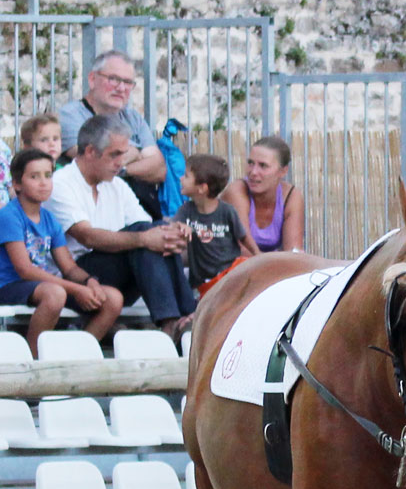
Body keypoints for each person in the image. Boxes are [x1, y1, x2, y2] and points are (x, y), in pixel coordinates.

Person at [47, 114, 194, 337]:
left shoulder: (117, 185)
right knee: (145, 237)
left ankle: (183, 318)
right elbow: (86, 236)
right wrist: (146, 238)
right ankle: (175, 321)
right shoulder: (60, 183)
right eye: (114, 155)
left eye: (123, 155)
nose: (121, 163)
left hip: (115, 274)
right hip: (74, 276)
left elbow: (146, 226)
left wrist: (175, 230)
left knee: (155, 233)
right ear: (89, 151)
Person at [0, 148, 124, 354]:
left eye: (48, 175)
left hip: (39, 286)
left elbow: (69, 267)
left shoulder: (49, 219)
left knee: (112, 298)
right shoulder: (9, 216)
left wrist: (89, 282)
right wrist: (76, 290)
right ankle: (33, 360)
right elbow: (25, 270)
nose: (43, 182)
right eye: (34, 176)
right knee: (55, 294)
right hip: (9, 286)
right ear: (17, 184)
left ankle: (78, 355)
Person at [57, 49, 166, 220]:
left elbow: (159, 168)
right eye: (113, 79)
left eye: (128, 82)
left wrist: (121, 169)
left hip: (141, 208)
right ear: (92, 79)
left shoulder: (133, 118)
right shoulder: (70, 116)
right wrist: (137, 154)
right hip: (96, 213)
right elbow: (92, 159)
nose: (121, 88)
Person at [176, 153, 257, 296]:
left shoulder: (227, 211)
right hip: (202, 281)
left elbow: (243, 237)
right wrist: (180, 227)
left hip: (229, 275)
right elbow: (173, 226)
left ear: (202, 188)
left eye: (186, 176)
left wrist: (258, 255)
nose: (181, 179)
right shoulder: (186, 210)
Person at [221, 135, 305, 253]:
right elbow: (243, 250)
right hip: (232, 266)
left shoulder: (291, 197)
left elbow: (293, 252)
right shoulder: (237, 191)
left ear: (283, 171)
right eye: (250, 163)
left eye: (263, 165)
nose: (253, 172)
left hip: (268, 266)